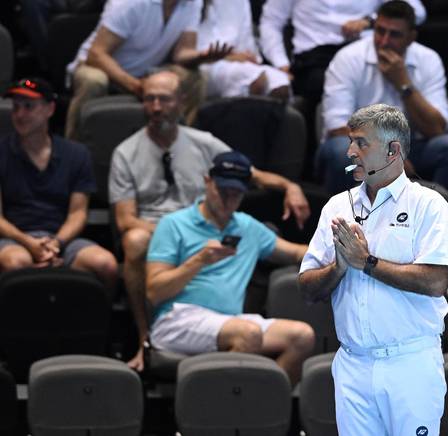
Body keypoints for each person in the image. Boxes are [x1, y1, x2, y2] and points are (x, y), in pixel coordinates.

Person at [109, 69, 311, 371]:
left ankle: (263, 402)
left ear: (181, 102)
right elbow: (125, 221)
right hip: (163, 233)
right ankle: (144, 337)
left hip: (211, 239)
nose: (155, 107)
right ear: (208, 183)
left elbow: (249, 174)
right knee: (135, 241)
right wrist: (192, 249)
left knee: (302, 336)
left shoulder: (205, 147)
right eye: (149, 99)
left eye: (163, 99)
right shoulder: (126, 153)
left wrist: (289, 186)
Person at [299, 104, 448, 436]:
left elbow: (435, 281)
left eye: (361, 143)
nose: (350, 151)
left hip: (410, 364)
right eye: (350, 142)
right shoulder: (336, 206)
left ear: (393, 150)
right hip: (353, 364)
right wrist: (339, 267)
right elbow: (307, 288)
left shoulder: (429, 205)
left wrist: (366, 263)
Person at [146, 150, 314, 384]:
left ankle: (260, 407)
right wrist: (199, 260)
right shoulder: (173, 224)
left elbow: (296, 252)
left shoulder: (247, 227)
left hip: (229, 320)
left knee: (302, 336)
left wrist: (341, 248)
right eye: (222, 191)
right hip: (177, 320)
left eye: (236, 194)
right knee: (248, 333)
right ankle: (223, 412)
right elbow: (154, 292)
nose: (228, 200)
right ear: (207, 182)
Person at [317, 0, 448, 202]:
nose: (384, 41)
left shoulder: (428, 60)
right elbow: (338, 128)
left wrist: (404, 84)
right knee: (338, 151)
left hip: (411, 147)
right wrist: (387, 157)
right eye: (380, 31)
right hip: (356, 145)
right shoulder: (348, 58)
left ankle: (436, 223)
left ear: (411, 38)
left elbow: (437, 129)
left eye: (394, 34)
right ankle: (349, 224)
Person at [0, 77, 118, 291]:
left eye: (28, 107)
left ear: (50, 109)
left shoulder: (76, 154)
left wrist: (56, 244)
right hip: (14, 238)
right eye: (16, 107)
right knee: (17, 263)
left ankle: (96, 323)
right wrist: (29, 243)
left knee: (106, 264)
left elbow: (78, 214)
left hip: (62, 238)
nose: (20, 115)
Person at [64, 0, 232, 139]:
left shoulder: (193, 3)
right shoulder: (130, 3)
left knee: (194, 78)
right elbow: (96, 54)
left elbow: (182, 52)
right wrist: (135, 85)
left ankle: (179, 142)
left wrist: (202, 57)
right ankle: (75, 148)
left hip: (145, 72)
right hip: (97, 66)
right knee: (94, 81)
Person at [259, 0, 426, 111]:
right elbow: (271, 21)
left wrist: (371, 21)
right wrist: (281, 63)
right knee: (325, 89)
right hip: (314, 59)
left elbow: (416, 12)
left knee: (393, 74)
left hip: (365, 51)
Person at [197, 0, 290, 100]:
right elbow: (191, 49)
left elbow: (247, 43)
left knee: (280, 84)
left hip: (236, 63)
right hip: (203, 63)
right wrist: (228, 57)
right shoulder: (193, 3)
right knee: (255, 79)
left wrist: (250, 57)